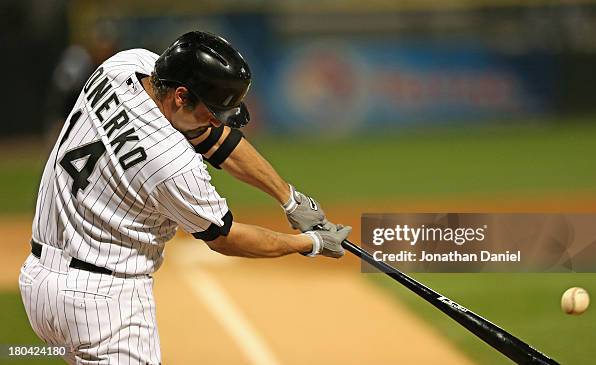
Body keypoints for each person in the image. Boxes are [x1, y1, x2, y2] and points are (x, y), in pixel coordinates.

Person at [19, 31, 351, 365]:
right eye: (212, 111)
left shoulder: (124, 66)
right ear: (181, 97)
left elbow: (214, 138)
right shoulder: (172, 163)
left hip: (39, 283)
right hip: (104, 306)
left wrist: (290, 199)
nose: (215, 121)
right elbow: (225, 237)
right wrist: (309, 244)